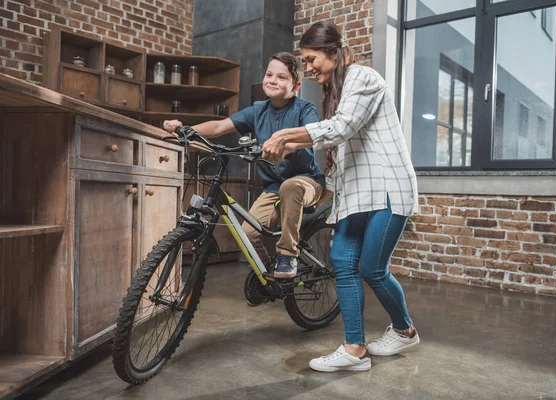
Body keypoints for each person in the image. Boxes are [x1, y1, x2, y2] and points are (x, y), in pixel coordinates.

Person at [262, 21, 420, 372]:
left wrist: (286, 136)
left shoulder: (362, 78)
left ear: (333, 51)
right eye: (304, 60)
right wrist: (326, 192)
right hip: (359, 191)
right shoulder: (337, 91)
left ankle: (405, 330)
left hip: (387, 187)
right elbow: (344, 151)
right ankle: (355, 350)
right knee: (342, 260)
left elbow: (342, 128)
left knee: (372, 268)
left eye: (312, 58)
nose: (309, 66)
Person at [163, 52, 325, 281]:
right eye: (269, 74)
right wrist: (187, 129)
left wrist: (285, 146)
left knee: (290, 186)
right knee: (247, 233)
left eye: (281, 77)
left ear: (296, 85)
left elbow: (314, 135)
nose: (272, 80)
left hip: (306, 181)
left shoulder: (304, 109)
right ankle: (269, 276)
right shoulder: (258, 110)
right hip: (273, 188)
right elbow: (220, 127)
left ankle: (288, 254)